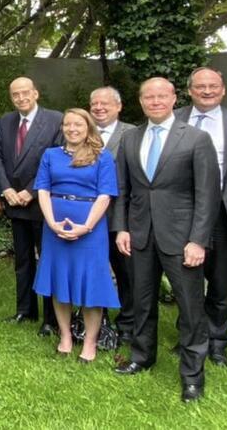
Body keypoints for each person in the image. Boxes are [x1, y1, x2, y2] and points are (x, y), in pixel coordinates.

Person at [113, 77, 220, 403]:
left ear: (174, 98)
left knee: (190, 308)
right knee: (142, 302)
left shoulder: (196, 138)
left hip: (182, 238)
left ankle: (192, 377)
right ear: (141, 101)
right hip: (140, 235)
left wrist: (198, 240)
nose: (155, 101)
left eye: (162, 95)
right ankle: (142, 356)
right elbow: (123, 190)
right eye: (149, 96)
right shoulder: (130, 138)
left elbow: (207, 195)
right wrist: (122, 228)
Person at [32, 108, 120, 363]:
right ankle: (66, 337)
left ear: (88, 127)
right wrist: (52, 222)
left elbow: (105, 195)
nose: (72, 129)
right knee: (60, 281)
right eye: (67, 124)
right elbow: (43, 190)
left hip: (90, 228)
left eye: (78, 124)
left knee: (91, 284)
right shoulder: (50, 155)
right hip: (55, 225)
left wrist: (87, 226)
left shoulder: (102, 156)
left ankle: (90, 342)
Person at [174, 67, 227, 368]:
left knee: (222, 284)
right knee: (187, 281)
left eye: (213, 86)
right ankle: (189, 337)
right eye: (200, 86)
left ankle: (217, 342)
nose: (207, 91)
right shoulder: (174, 120)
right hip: (184, 213)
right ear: (190, 91)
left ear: (223, 90)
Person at [0, 77, 63, 336]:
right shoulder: (6, 121)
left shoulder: (55, 120)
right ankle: (25, 309)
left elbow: (57, 158)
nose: (21, 98)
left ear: (35, 93)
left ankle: (51, 319)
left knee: (47, 260)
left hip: (42, 203)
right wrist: (6, 189)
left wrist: (31, 190)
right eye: (15, 94)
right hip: (14, 201)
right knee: (22, 260)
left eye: (25, 93)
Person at [89, 86, 136, 344]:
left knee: (125, 271)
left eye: (105, 103)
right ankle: (97, 320)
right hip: (88, 218)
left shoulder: (133, 134)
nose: (99, 108)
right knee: (94, 270)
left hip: (120, 216)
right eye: (94, 104)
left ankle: (128, 323)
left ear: (118, 106)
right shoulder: (82, 132)